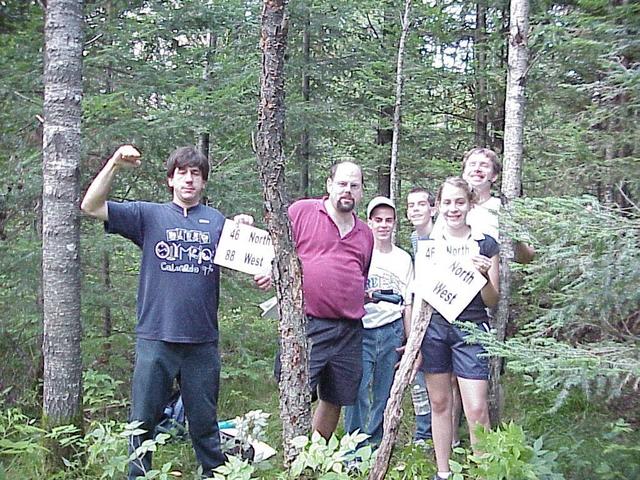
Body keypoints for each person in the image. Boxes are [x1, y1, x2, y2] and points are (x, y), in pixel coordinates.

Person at [81, 145, 253, 479]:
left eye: (196, 174)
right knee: (142, 423)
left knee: (204, 426)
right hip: (155, 338)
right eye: (183, 173)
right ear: (170, 180)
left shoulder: (217, 221)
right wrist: (114, 163)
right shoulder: (148, 216)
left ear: (203, 183)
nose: (189, 180)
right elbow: (91, 206)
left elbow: (250, 262)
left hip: (201, 342)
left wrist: (244, 228)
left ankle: (213, 475)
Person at [260, 161, 374, 440]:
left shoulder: (365, 234)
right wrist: (267, 269)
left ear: (361, 192)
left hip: (349, 328)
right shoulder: (302, 212)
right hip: (308, 323)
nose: (347, 190)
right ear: (329, 185)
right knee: (297, 391)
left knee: (337, 395)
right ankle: (295, 453)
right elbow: (272, 245)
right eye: (342, 184)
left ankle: (315, 453)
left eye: (354, 186)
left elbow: (361, 273)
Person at [416, 177, 499, 480]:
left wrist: (486, 275)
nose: (454, 209)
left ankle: (485, 472)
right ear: (437, 207)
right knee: (439, 402)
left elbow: (493, 298)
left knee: (476, 408)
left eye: (460, 202)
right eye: (447, 202)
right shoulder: (428, 246)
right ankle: (443, 472)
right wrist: (414, 340)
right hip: (436, 329)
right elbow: (420, 295)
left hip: (472, 329)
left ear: (470, 204)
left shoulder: (485, 244)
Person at [343, 196, 413, 447]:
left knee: (384, 390)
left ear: (394, 224)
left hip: (391, 331)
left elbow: (407, 302)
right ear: (369, 222)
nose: (383, 225)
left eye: (389, 220)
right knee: (357, 391)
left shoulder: (403, 259)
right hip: (361, 329)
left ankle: (375, 442)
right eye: (378, 220)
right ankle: (353, 445)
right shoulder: (360, 253)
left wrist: (410, 340)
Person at [406, 187, 436, 445]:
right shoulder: (414, 239)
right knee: (418, 375)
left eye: (421, 204)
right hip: (419, 312)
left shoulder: (442, 237)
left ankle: (447, 434)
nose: (416, 209)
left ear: (432, 209)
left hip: (441, 314)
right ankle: (423, 432)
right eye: (411, 205)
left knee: (443, 378)